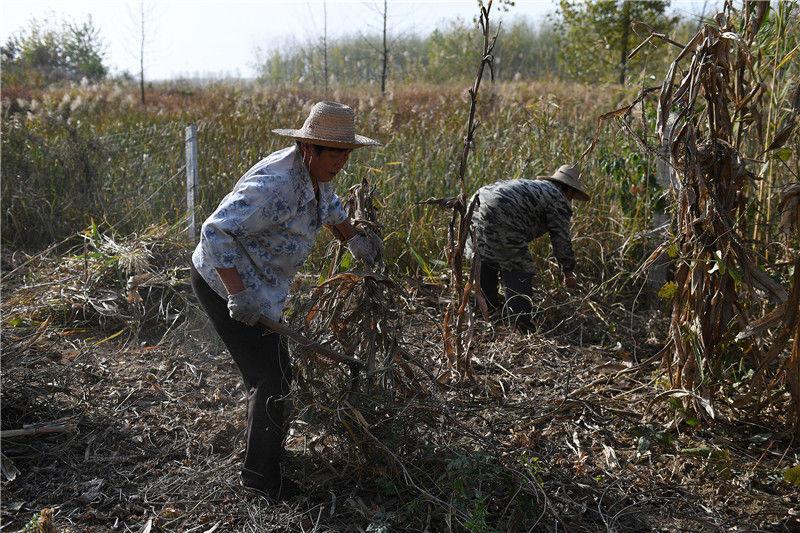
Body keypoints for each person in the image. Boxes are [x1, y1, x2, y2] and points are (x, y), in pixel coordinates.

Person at [190, 101, 382, 499]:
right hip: (225, 283)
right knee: (273, 377)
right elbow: (214, 231)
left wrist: (355, 240)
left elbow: (328, 207)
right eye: (335, 153)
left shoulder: (314, 175)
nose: (341, 162)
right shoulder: (274, 184)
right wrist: (238, 293)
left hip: (259, 285)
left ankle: (262, 449)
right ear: (310, 147)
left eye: (346, 153)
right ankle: (262, 479)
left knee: (266, 375)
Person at [468, 164, 590, 331]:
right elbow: (561, 239)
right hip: (502, 211)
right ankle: (521, 326)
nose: (571, 200)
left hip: (477, 203)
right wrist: (568, 271)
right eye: (573, 196)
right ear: (569, 190)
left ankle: (486, 313)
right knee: (519, 269)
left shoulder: (536, 187)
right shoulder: (558, 198)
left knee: (485, 257)